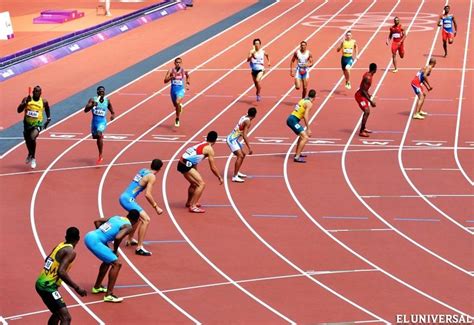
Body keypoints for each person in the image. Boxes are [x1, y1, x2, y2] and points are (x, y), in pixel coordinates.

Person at [84, 210, 139, 303]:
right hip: (95, 241)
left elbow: (97, 221)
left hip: (90, 235)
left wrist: (103, 239)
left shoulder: (116, 217)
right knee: (117, 264)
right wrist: (115, 249)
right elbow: (118, 237)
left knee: (108, 260)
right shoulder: (128, 226)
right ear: (135, 221)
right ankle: (109, 295)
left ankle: (97, 287)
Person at [35, 227, 87, 324]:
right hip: (48, 287)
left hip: (41, 283)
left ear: (66, 236)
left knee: (57, 313)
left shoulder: (60, 245)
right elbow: (61, 272)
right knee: (66, 318)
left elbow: (47, 259)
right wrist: (77, 288)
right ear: (78, 239)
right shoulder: (70, 252)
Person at [119, 159, 164, 256]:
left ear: (151, 165)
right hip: (128, 199)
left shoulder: (143, 170)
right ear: (160, 169)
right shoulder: (152, 177)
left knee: (138, 218)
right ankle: (139, 248)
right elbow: (147, 194)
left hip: (125, 196)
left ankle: (130, 239)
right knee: (146, 219)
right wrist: (156, 207)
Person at [177, 131, 223, 212]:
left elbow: (194, 158)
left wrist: (196, 171)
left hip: (182, 162)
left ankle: (189, 202)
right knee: (201, 184)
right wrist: (219, 176)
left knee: (194, 183)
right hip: (186, 164)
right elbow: (212, 167)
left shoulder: (202, 143)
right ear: (215, 140)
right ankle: (193, 206)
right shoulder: (209, 149)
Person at [17, 85, 51, 169]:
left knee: (32, 138)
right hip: (27, 124)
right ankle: (30, 153)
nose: (36, 92)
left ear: (40, 93)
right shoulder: (27, 99)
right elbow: (18, 110)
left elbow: (47, 108)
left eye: (38, 91)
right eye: (35, 91)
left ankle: (33, 158)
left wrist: (48, 119)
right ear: (32, 92)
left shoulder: (44, 101)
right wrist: (25, 103)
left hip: (37, 124)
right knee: (27, 141)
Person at [84, 86, 115, 164]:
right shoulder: (93, 99)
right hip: (94, 122)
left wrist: (112, 114)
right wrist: (92, 105)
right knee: (95, 137)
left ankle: (100, 155)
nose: (102, 93)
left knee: (99, 133)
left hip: (102, 122)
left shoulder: (107, 100)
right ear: (97, 92)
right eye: (100, 91)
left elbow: (110, 107)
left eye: (103, 91)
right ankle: (100, 136)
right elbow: (85, 110)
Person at [226, 107, 257, 183]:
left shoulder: (244, 116)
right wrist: (249, 148)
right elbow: (244, 135)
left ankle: (236, 172)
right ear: (255, 115)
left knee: (243, 155)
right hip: (232, 140)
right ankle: (234, 176)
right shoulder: (248, 122)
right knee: (240, 156)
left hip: (234, 139)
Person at [286, 89, 316, 163]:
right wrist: (308, 128)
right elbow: (305, 116)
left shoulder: (303, 100)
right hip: (293, 120)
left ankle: (297, 153)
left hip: (292, 119)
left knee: (301, 136)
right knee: (305, 137)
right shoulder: (309, 103)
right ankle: (297, 157)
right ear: (315, 97)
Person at [164, 57, 190, 127]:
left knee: (178, 102)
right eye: (177, 62)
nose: (178, 64)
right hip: (173, 90)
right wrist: (171, 77)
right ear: (174, 63)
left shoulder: (183, 71)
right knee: (176, 106)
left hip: (180, 90)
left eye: (179, 62)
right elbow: (165, 81)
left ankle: (177, 118)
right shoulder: (170, 71)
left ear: (181, 63)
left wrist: (187, 83)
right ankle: (179, 107)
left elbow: (187, 76)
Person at [354, 63, 377, 137]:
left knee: (367, 112)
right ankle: (361, 131)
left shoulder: (368, 75)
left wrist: (368, 94)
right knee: (367, 111)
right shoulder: (368, 78)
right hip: (360, 96)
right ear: (375, 70)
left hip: (363, 95)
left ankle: (363, 128)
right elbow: (363, 90)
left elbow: (364, 88)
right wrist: (371, 101)